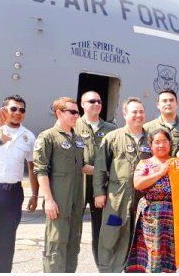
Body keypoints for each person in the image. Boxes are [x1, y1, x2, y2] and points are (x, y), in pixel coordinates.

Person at [93, 97, 152, 272]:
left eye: (141, 111)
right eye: (134, 112)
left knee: (140, 235)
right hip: (116, 199)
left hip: (143, 198)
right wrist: (99, 192)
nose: (138, 115)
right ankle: (108, 270)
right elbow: (100, 167)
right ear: (125, 114)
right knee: (112, 233)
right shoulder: (112, 138)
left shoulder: (151, 139)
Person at [33, 97, 88, 272]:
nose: (76, 116)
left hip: (76, 201)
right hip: (58, 201)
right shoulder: (48, 137)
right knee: (56, 244)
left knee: (73, 244)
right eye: (72, 112)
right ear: (59, 113)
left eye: (77, 112)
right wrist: (48, 200)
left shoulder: (78, 138)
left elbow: (83, 166)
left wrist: (109, 171)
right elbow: (41, 170)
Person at [0, 95, 38, 272]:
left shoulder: (28, 136)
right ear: (4, 110)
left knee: (6, 241)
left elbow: (32, 167)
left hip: (12, 194)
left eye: (22, 110)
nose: (18, 112)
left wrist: (34, 194)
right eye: (13, 109)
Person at [74, 91, 116, 265]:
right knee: (73, 229)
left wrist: (99, 172)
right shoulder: (74, 125)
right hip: (78, 184)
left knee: (100, 230)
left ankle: (103, 267)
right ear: (82, 104)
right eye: (92, 101)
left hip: (102, 186)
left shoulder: (111, 130)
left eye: (99, 101)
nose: (97, 104)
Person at [125, 129, 176, 272]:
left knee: (173, 251)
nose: (161, 145)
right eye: (157, 142)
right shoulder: (145, 163)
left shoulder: (177, 163)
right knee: (153, 251)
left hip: (174, 214)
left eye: (165, 141)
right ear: (151, 145)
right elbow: (138, 184)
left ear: (170, 144)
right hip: (151, 215)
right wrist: (161, 172)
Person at [143, 89, 179, 157]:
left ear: (177, 104)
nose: (168, 103)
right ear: (158, 105)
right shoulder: (147, 128)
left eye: (171, 100)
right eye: (164, 101)